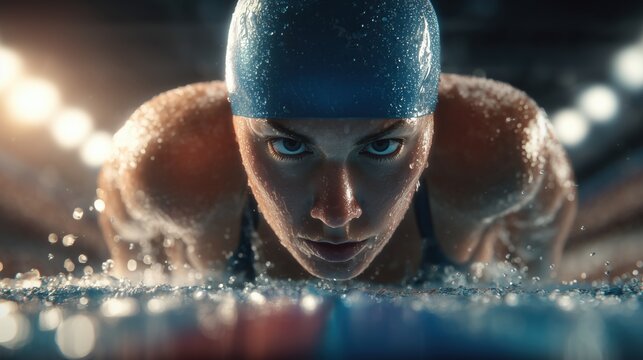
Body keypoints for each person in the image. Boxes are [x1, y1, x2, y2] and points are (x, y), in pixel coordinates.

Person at [97, 0, 577, 284]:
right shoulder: (170, 162)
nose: (337, 211)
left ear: (430, 129)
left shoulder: (497, 150)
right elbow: (128, 257)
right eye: (289, 148)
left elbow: (543, 249)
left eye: (383, 148)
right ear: (233, 124)